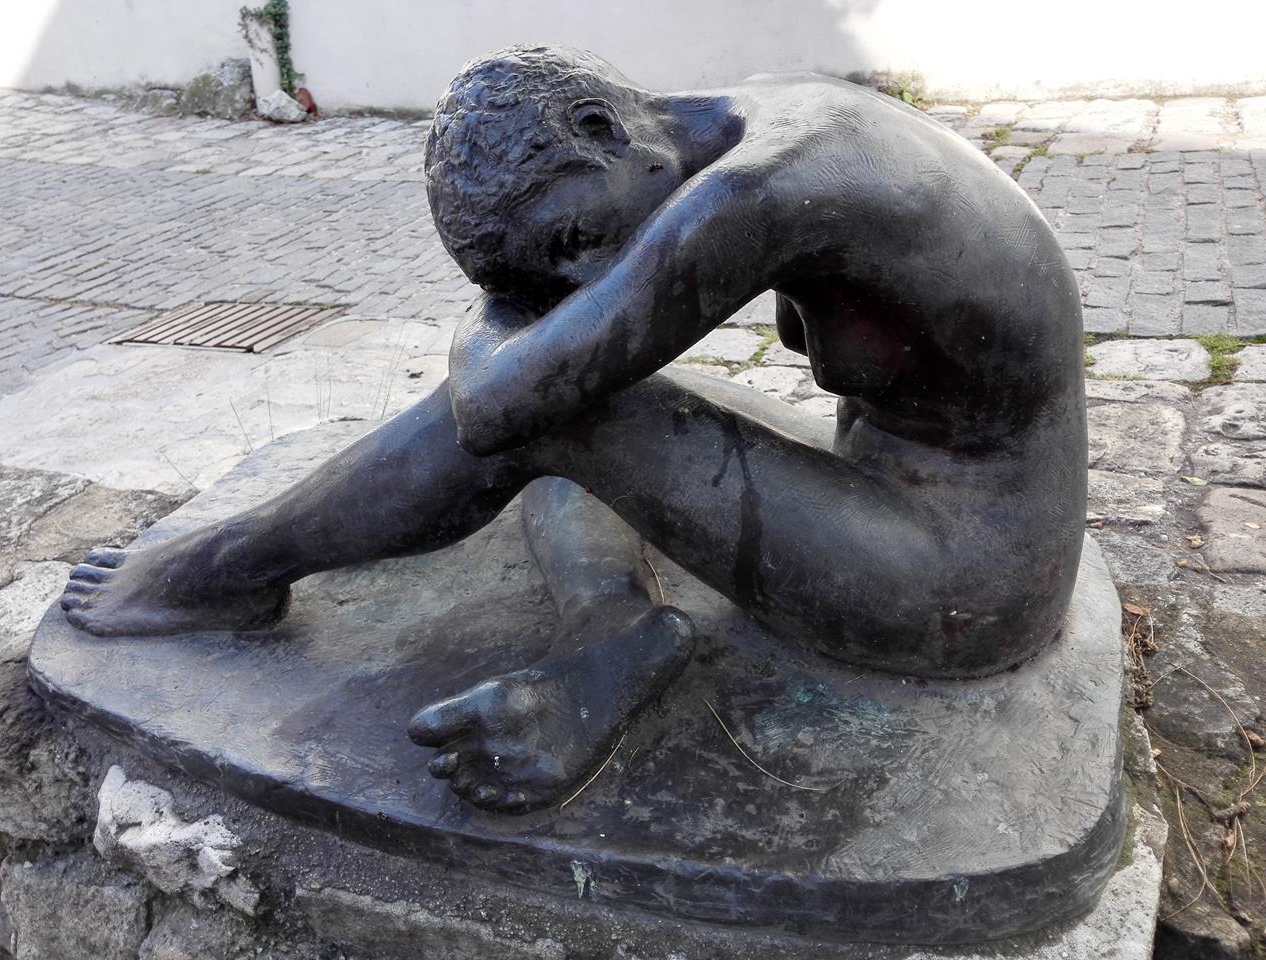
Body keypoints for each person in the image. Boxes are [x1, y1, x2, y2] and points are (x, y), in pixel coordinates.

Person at [60, 45, 1086, 813]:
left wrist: (506, 333)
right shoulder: (740, 118)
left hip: (963, 583)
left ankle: (230, 569)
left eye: (575, 237)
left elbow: (499, 403)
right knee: (574, 398)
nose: (587, 280)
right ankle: (612, 627)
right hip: (887, 499)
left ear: (601, 128)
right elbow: (534, 366)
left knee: (559, 411)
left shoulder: (754, 193)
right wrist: (528, 329)